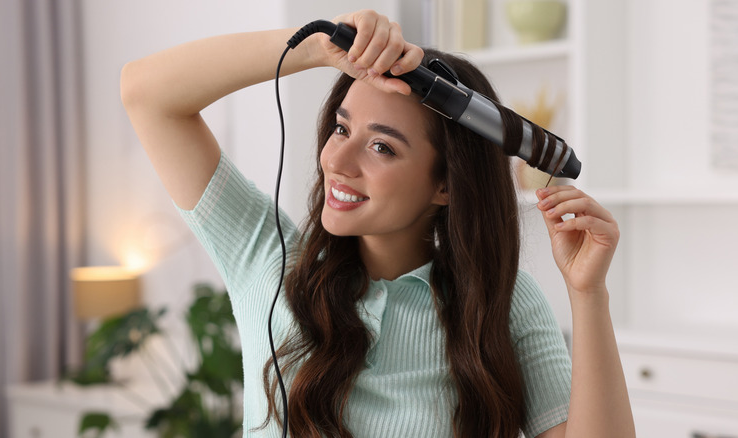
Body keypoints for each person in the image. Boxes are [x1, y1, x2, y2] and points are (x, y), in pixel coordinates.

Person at [120, 9, 634, 438]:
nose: (338, 160)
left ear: (446, 185)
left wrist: (589, 295)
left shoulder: (500, 299)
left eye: (382, 146)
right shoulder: (267, 258)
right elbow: (147, 94)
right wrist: (322, 46)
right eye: (342, 128)